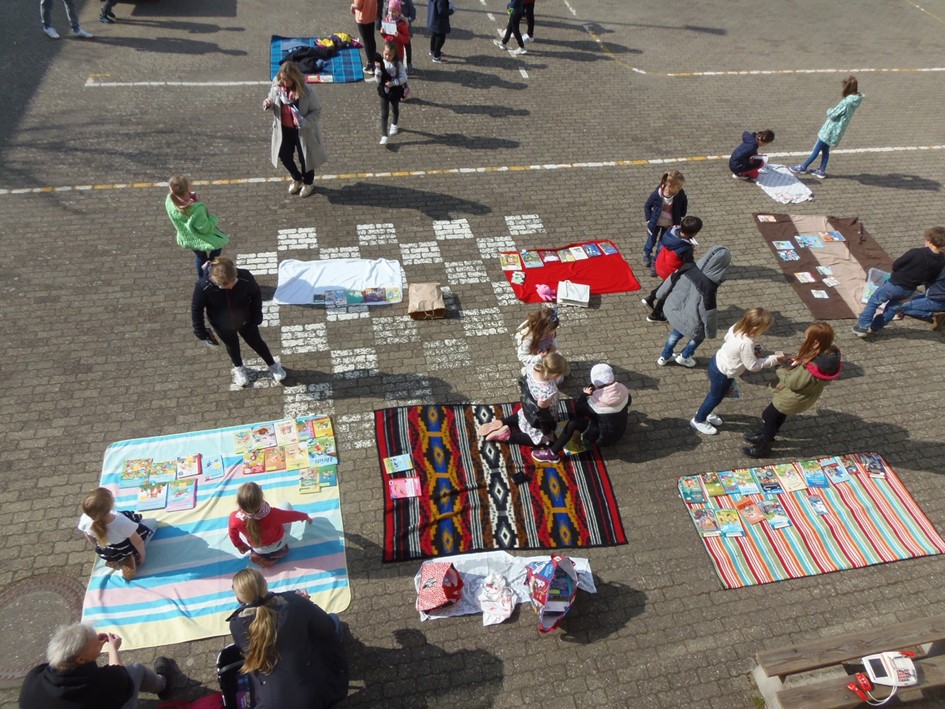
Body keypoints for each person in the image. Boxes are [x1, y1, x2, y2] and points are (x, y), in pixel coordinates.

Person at [227, 568, 349, 709]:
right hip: (310, 695)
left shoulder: (235, 624)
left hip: (268, 701)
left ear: (238, 597)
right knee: (334, 620)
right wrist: (308, 605)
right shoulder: (294, 603)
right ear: (264, 584)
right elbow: (327, 628)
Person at [19, 623, 176, 708]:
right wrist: (112, 648)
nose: (99, 644)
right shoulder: (100, 684)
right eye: (95, 645)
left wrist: (92, 644)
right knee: (136, 670)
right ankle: (163, 685)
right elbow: (120, 676)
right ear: (80, 659)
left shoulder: (34, 676)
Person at [743, 322, 841, 458]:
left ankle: (764, 447)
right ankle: (765, 435)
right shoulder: (827, 357)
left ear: (816, 343)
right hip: (802, 398)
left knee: (768, 416)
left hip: (791, 398)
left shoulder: (811, 367)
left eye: (807, 338)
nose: (805, 339)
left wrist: (780, 368)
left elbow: (793, 383)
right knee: (778, 415)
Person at [192, 257, 287, 387]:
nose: (231, 286)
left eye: (233, 282)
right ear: (215, 280)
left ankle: (272, 365)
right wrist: (200, 331)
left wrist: (257, 315)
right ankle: (239, 368)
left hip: (246, 320)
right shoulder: (203, 286)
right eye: (224, 285)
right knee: (232, 346)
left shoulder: (245, 276)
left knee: (257, 342)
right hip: (221, 325)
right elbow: (196, 309)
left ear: (236, 273)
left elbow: (255, 295)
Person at [689, 308, 785, 436]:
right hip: (724, 374)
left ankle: (708, 412)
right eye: (765, 328)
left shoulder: (737, 327)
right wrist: (773, 359)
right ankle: (699, 419)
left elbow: (727, 338)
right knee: (715, 397)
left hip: (716, 362)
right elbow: (753, 366)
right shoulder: (747, 343)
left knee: (715, 394)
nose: (766, 330)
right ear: (756, 327)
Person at [477, 353, 570, 465]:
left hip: (527, 406)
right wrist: (547, 431)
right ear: (554, 374)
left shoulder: (533, 367)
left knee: (522, 415)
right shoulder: (547, 391)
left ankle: (501, 422)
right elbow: (543, 414)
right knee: (540, 439)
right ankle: (507, 436)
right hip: (536, 418)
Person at [853, 227, 945, 337]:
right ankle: (875, 327)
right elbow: (930, 277)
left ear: (929, 240)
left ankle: (862, 327)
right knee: (892, 307)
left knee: (874, 302)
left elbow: (897, 264)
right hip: (908, 290)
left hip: (893, 284)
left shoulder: (915, 252)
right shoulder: (941, 260)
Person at [654, 245, 731, 368]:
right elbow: (708, 311)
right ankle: (684, 356)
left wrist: (658, 295)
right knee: (699, 336)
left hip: (675, 310)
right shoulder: (709, 287)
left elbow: (670, 281)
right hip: (692, 318)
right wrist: (710, 332)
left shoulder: (688, 266)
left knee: (674, 335)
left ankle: (664, 356)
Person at [262, 61, 328, 199]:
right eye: (280, 78)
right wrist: (268, 103)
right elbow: (271, 98)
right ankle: (297, 178)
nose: (281, 81)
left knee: (305, 158)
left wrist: (304, 122)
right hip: (284, 130)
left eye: (285, 79)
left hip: (302, 131)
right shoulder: (277, 84)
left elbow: (317, 111)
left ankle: (308, 182)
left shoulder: (307, 92)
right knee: (284, 156)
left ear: (294, 78)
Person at [790, 76, 864, 179]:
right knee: (825, 149)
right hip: (838, 129)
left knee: (817, 149)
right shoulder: (857, 99)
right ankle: (821, 170)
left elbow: (834, 114)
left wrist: (829, 110)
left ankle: (803, 166)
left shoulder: (846, 102)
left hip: (831, 129)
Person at [78, 488, 157, 582]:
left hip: (108, 550)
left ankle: (115, 559)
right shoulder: (121, 521)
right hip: (126, 547)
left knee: (117, 544)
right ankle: (130, 557)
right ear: (111, 506)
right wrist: (142, 555)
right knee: (152, 523)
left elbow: (89, 537)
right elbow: (138, 541)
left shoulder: (85, 519)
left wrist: (98, 546)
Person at [228, 482, 311, 567]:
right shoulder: (273, 514)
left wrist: (240, 545)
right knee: (285, 504)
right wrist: (305, 516)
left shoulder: (234, 518)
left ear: (239, 503)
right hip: (278, 545)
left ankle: (259, 555)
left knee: (256, 542)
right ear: (261, 500)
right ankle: (277, 554)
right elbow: (293, 516)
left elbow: (232, 534)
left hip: (257, 548)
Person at [165, 175, 230, 278]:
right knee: (218, 245)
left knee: (200, 256)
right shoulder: (196, 209)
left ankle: (202, 278)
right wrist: (214, 219)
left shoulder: (170, 200)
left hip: (188, 236)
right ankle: (212, 269)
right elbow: (204, 228)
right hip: (200, 236)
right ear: (187, 188)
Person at [642, 215, 702, 322]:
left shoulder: (671, 231)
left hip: (661, 264)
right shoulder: (686, 248)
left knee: (665, 284)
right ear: (694, 233)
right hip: (671, 271)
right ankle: (656, 314)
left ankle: (650, 298)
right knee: (669, 291)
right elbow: (689, 263)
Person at [574, 363, 630, 448]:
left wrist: (584, 394)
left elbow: (579, 409)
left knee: (575, 423)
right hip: (620, 433)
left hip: (601, 440)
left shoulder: (595, 403)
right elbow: (629, 402)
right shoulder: (623, 389)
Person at [642, 170, 688, 272]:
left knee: (662, 245)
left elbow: (684, 201)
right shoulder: (658, 194)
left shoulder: (680, 194)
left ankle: (655, 262)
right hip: (655, 223)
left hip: (670, 224)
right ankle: (646, 253)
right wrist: (649, 220)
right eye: (678, 187)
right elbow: (647, 206)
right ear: (670, 185)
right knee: (651, 240)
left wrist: (682, 212)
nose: (680, 189)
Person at [887, 264, 945, 331]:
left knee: (899, 307)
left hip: (936, 300)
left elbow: (915, 281)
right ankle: (936, 314)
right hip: (935, 295)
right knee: (906, 305)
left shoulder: (935, 270)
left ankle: (934, 315)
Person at [374, 41, 408, 145]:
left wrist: (394, 83)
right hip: (384, 91)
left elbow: (404, 77)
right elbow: (377, 80)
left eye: (390, 55)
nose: (387, 57)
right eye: (386, 54)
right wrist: (378, 71)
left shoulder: (397, 64)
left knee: (395, 108)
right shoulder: (381, 63)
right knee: (384, 113)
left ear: (394, 55)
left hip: (395, 91)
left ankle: (394, 124)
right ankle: (384, 135)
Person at [514, 306, 559, 370]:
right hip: (534, 360)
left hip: (546, 353)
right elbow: (522, 357)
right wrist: (540, 357)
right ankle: (526, 371)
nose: (552, 332)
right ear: (540, 328)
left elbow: (553, 339)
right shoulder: (528, 339)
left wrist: (554, 346)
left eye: (553, 329)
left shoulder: (550, 331)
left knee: (559, 369)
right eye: (549, 331)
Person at [378, 0, 417, 70]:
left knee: (398, 68)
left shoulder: (402, 24)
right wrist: (382, 32)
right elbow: (386, 36)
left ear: (399, 12)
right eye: (390, 11)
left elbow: (406, 39)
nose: (391, 13)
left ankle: (407, 65)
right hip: (389, 49)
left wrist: (398, 35)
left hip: (398, 51)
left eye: (394, 11)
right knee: (388, 67)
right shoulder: (387, 19)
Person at [351, 0, 379, 74]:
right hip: (372, 16)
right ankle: (373, 58)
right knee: (371, 39)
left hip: (363, 18)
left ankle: (370, 64)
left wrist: (352, 6)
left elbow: (358, 5)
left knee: (366, 41)